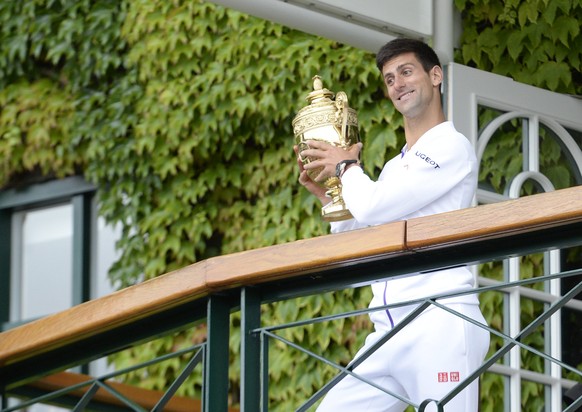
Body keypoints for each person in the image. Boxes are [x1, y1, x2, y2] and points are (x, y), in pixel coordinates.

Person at [295, 38, 490, 411]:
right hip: (387, 330)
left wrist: (345, 167)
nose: (397, 83)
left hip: (440, 320)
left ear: (435, 76)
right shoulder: (393, 166)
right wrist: (330, 197)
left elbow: (373, 206)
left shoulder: (451, 146)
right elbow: (370, 231)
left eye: (405, 72)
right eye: (389, 79)